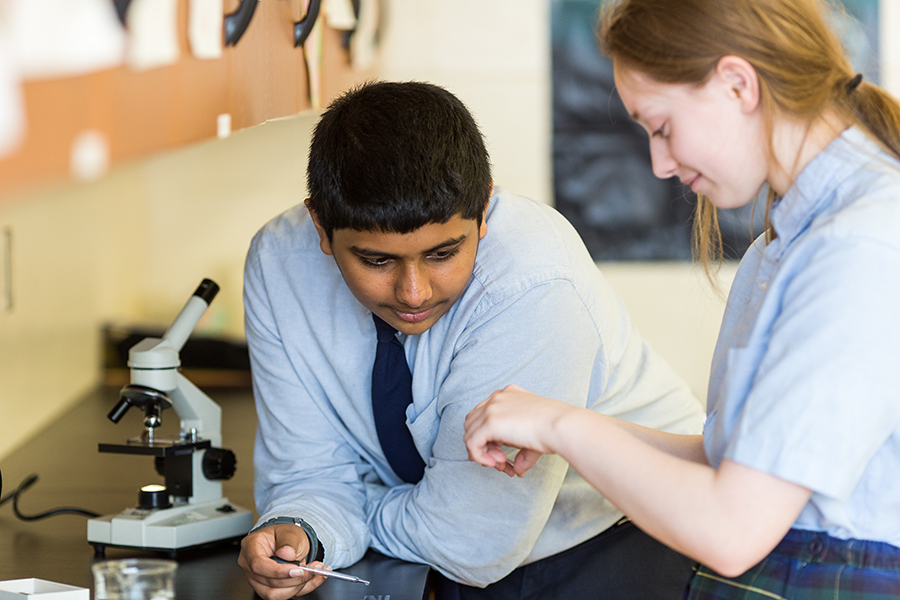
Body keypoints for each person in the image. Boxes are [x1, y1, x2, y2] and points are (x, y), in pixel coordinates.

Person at [464, 0, 900, 598]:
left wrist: (562, 426)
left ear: (737, 83)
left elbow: (731, 528)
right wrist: (558, 426)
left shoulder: (859, 245)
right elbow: (729, 463)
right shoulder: (780, 248)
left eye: (662, 127)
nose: (660, 163)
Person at [237, 80, 704, 599]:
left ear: (482, 211)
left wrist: (348, 511)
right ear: (321, 227)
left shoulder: (533, 281)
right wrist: (303, 533)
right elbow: (306, 473)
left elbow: (468, 539)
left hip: (621, 542)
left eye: (442, 253)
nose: (413, 292)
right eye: (376, 260)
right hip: (445, 555)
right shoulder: (279, 264)